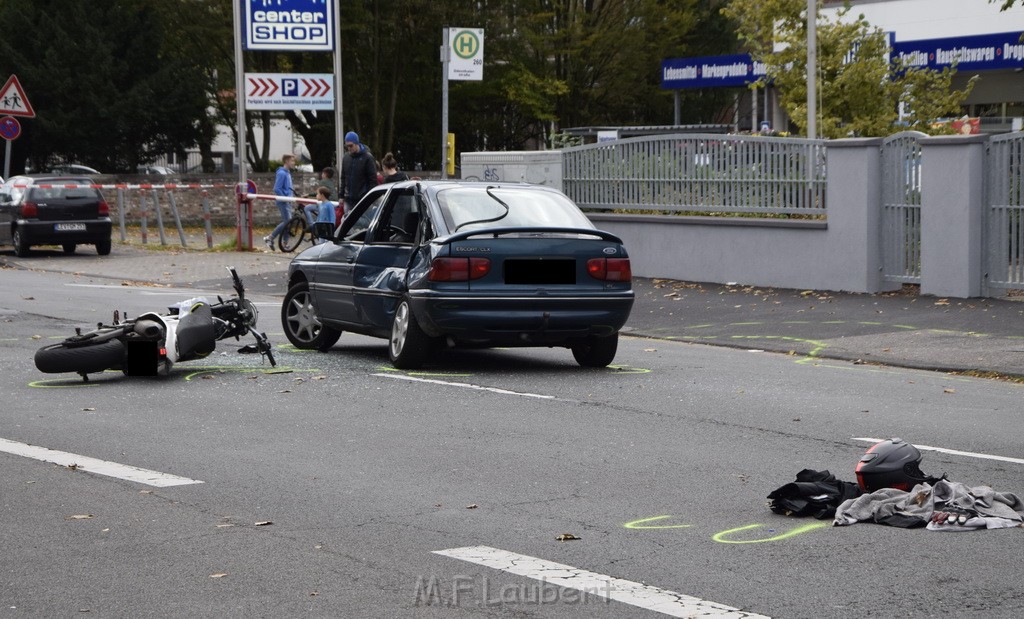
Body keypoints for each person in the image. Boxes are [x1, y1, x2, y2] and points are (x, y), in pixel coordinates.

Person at [339, 131, 378, 215]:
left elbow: (373, 180)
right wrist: (341, 195)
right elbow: (343, 177)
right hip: (348, 199)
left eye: (351, 145)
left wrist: (371, 198)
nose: (349, 148)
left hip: (363, 199)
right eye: (347, 146)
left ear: (357, 143)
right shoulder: (346, 158)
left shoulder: (368, 158)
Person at [264, 153, 296, 251]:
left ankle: (285, 243)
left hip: (288, 201)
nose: (293, 163)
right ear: (286, 161)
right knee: (287, 222)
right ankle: (270, 238)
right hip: (283, 201)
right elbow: (277, 188)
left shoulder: (287, 173)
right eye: (292, 161)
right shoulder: (282, 173)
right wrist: (285, 198)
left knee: (288, 223)